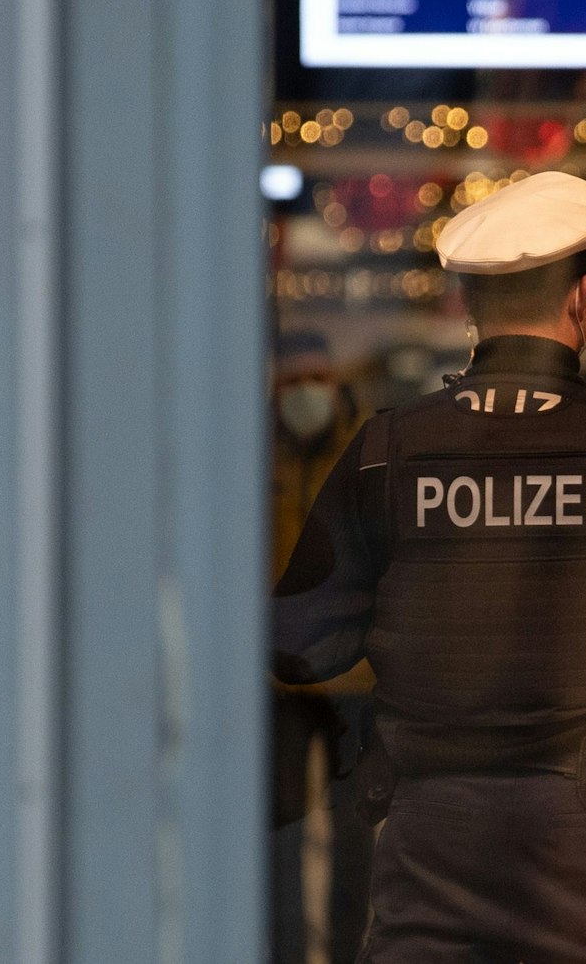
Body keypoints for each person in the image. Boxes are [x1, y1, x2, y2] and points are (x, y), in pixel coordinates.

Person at [272, 171, 586, 963]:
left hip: (436, 848)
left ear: (467, 309)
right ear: (580, 303)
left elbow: (301, 641)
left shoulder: (389, 453)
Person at [267, 329, 373, 964]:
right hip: (277, 683)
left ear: (335, 383)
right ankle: (280, 950)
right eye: (289, 382)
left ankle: (344, 952)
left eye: (314, 379)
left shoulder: (364, 454)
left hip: (354, 679)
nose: (303, 394)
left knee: (356, 837)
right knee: (280, 835)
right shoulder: (255, 457)